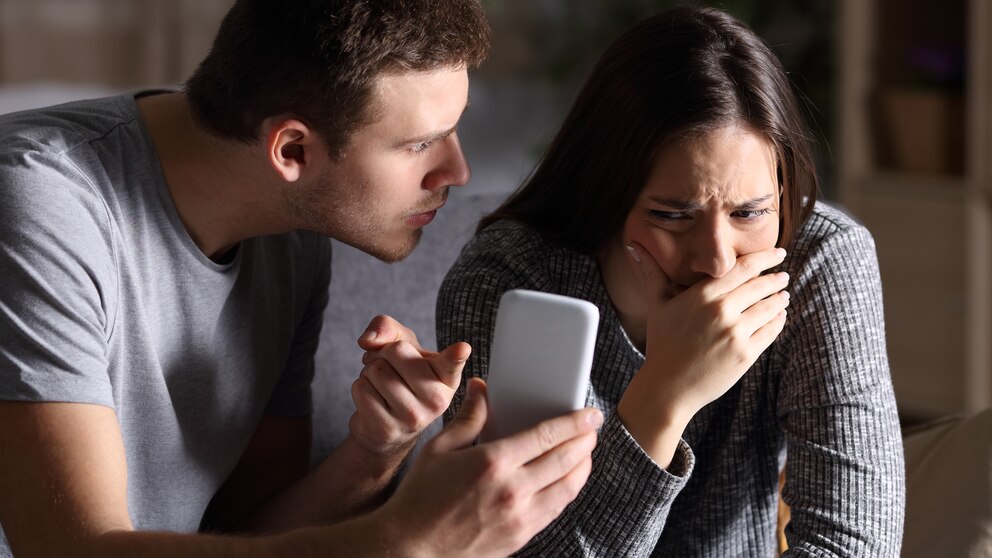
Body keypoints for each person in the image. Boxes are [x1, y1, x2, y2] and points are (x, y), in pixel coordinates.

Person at [0, 1, 602, 556]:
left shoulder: (292, 231)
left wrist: (376, 450)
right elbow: (66, 549)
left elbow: (249, 529)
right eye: (422, 144)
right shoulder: (39, 206)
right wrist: (409, 540)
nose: (459, 171)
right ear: (291, 151)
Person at [437, 6, 905, 556]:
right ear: (603, 193)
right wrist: (665, 396)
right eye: (672, 215)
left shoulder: (817, 260)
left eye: (750, 213)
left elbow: (852, 544)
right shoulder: (509, 281)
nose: (717, 262)